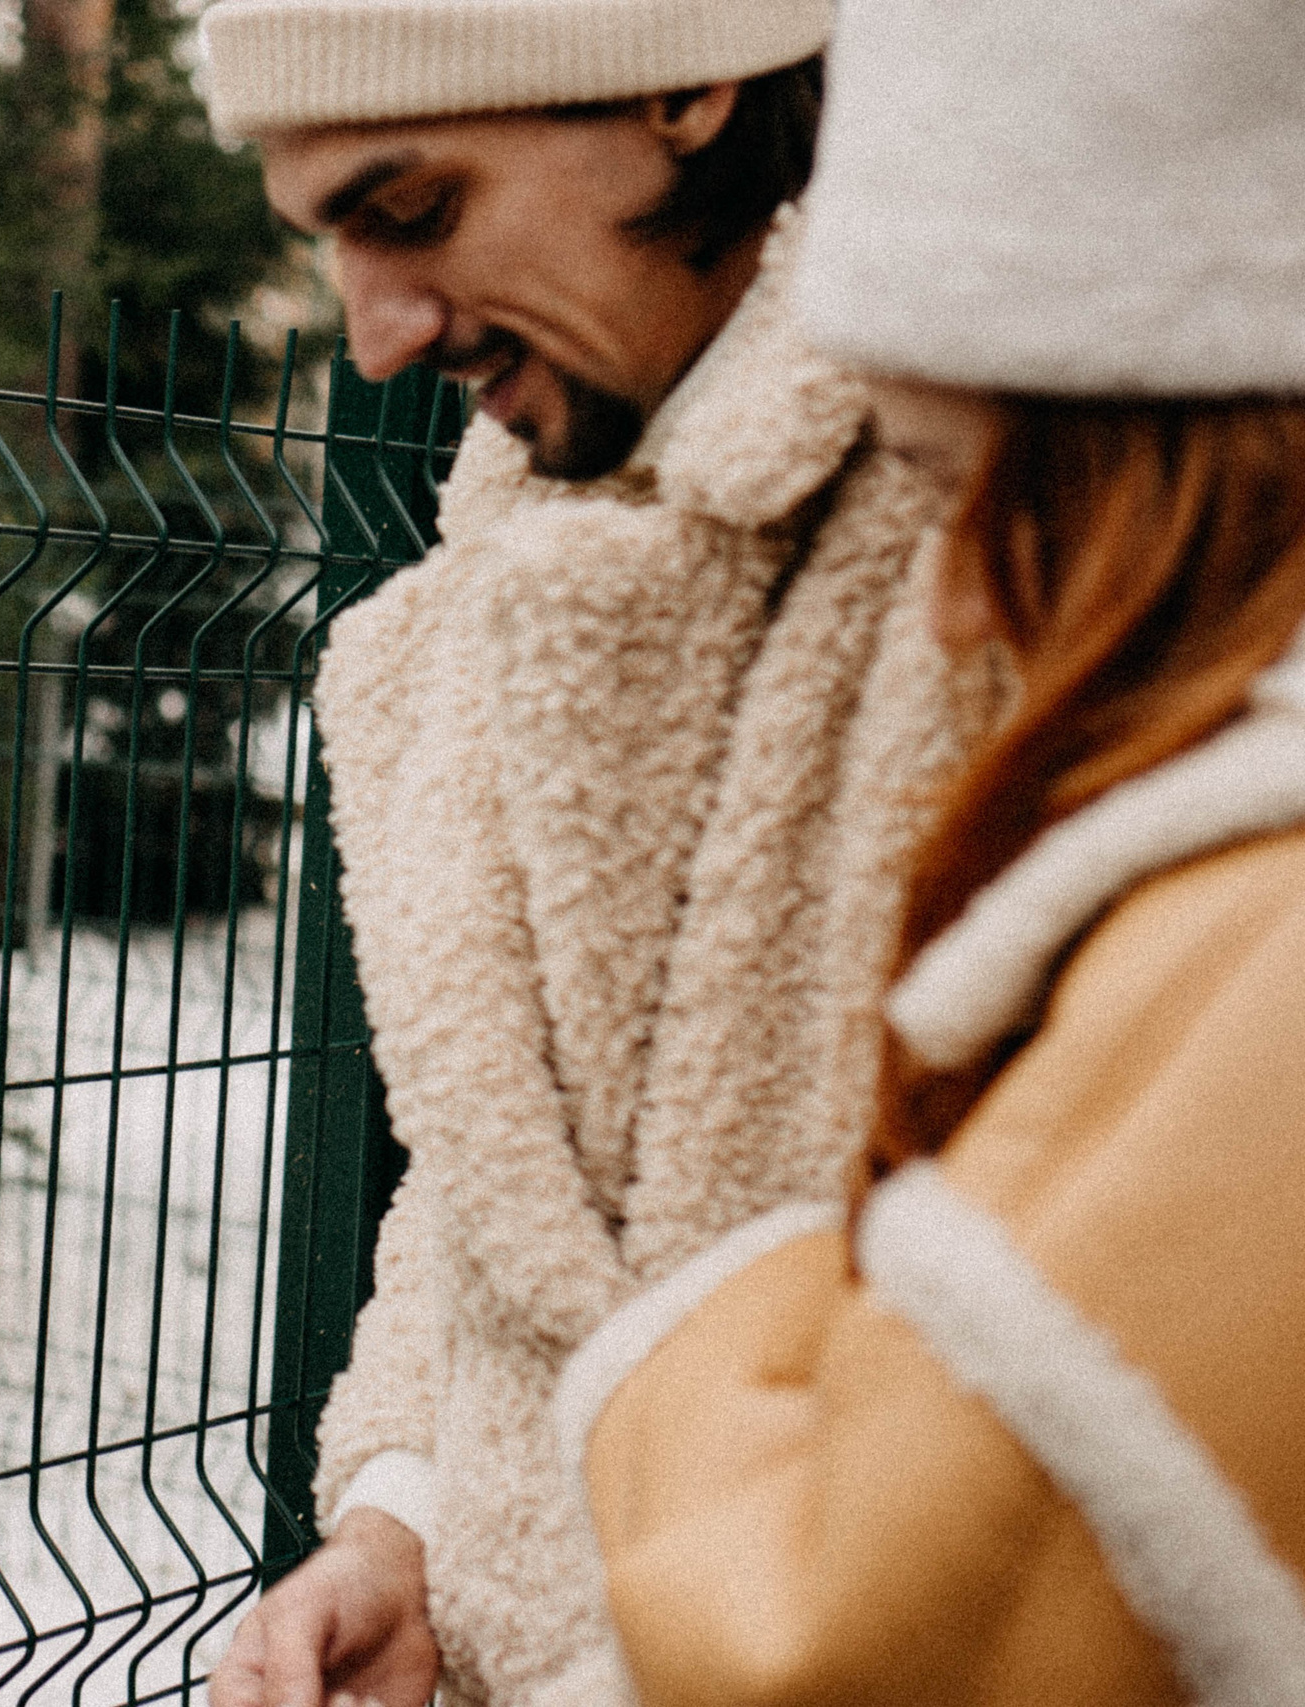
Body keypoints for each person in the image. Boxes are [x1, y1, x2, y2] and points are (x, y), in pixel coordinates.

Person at [196, 0, 993, 1701]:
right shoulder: (527, 529)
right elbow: (505, 1176)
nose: (380, 335)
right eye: (325, 240)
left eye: (410, 211)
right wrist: (406, 1524)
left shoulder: (1021, 533)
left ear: (688, 85)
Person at [552, 0, 1305, 1701]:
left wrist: (719, 1349)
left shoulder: (1263, 964)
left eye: (968, 480)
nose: (955, 603)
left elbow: (850, 1637)